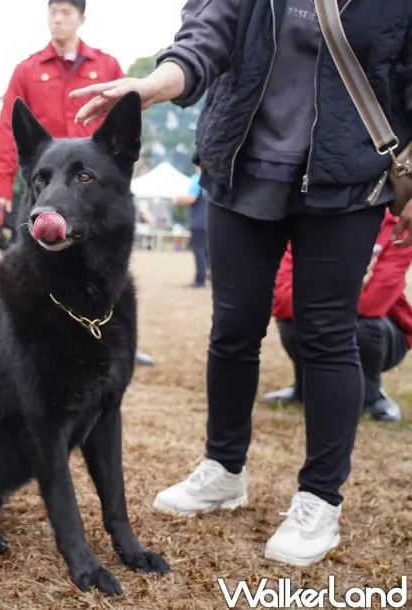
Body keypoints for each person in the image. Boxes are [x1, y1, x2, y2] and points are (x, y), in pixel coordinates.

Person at [70, 0, 412, 566]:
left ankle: (320, 498)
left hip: (349, 175)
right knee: (232, 328)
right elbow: (206, 34)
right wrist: (156, 84)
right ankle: (224, 469)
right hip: (243, 164)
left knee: (328, 333)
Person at [0, 0, 155, 367]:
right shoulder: (27, 69)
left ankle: (113, 335)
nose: (58, 18)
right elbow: (8, 131)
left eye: (66, 12)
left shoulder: (106, 65)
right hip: (45, 182)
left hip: (90, 185)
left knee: (103, 269)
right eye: (53, 11)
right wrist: (2, 190)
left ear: (82, 18)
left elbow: (123, 122)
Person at [263, 209, 412, 423]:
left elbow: (374, 302)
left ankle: (371, 395)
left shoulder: (398, 226)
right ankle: (304, 387)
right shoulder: (307, 223)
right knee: (291, 320)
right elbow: (282, 299)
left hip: (381, 330)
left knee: (361, 326)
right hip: (329, 312)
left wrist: (316, 293)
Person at [174, 163, 208, 288]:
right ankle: (208, 276)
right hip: (208, 221)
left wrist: (178, 200)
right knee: (206, 252)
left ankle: (200, 280)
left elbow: (191, 198)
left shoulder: (197, 179)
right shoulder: (210, 180)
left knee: (199, 251)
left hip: (198, 222)